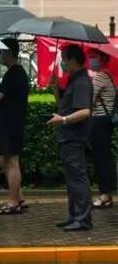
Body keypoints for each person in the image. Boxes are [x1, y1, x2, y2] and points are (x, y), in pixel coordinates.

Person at [47, 45, 94, 231]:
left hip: (74, 137)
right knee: (72, 179)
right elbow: (63, 105)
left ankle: (82, 218)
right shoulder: (74, 80)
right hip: (68, 137)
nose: (62, 63)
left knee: (78, 178)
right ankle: (74, 215)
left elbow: (84, 112)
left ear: (73, 60)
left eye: (64, 59)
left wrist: (64, 120)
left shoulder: (82, 81)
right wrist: (56, 89)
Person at [0, 38, 30, 215]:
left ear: (8, 53)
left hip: (9, 125)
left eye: (1, 52)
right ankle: (19, 197)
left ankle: (13, 201)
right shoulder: (18, 72)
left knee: (10, 161)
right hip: (12, 124)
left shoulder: (12, 74)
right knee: (6, 160)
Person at [87, 48, 116, 208]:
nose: (91, 60)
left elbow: (88, 100)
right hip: (105, 121)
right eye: (90, 56)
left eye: (94, 56)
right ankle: (107, 194)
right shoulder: (108, 76)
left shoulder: (100, 77)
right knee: (104, 157)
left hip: (98, 122)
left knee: (101, 159)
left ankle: (105, 195)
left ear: (103, 58)